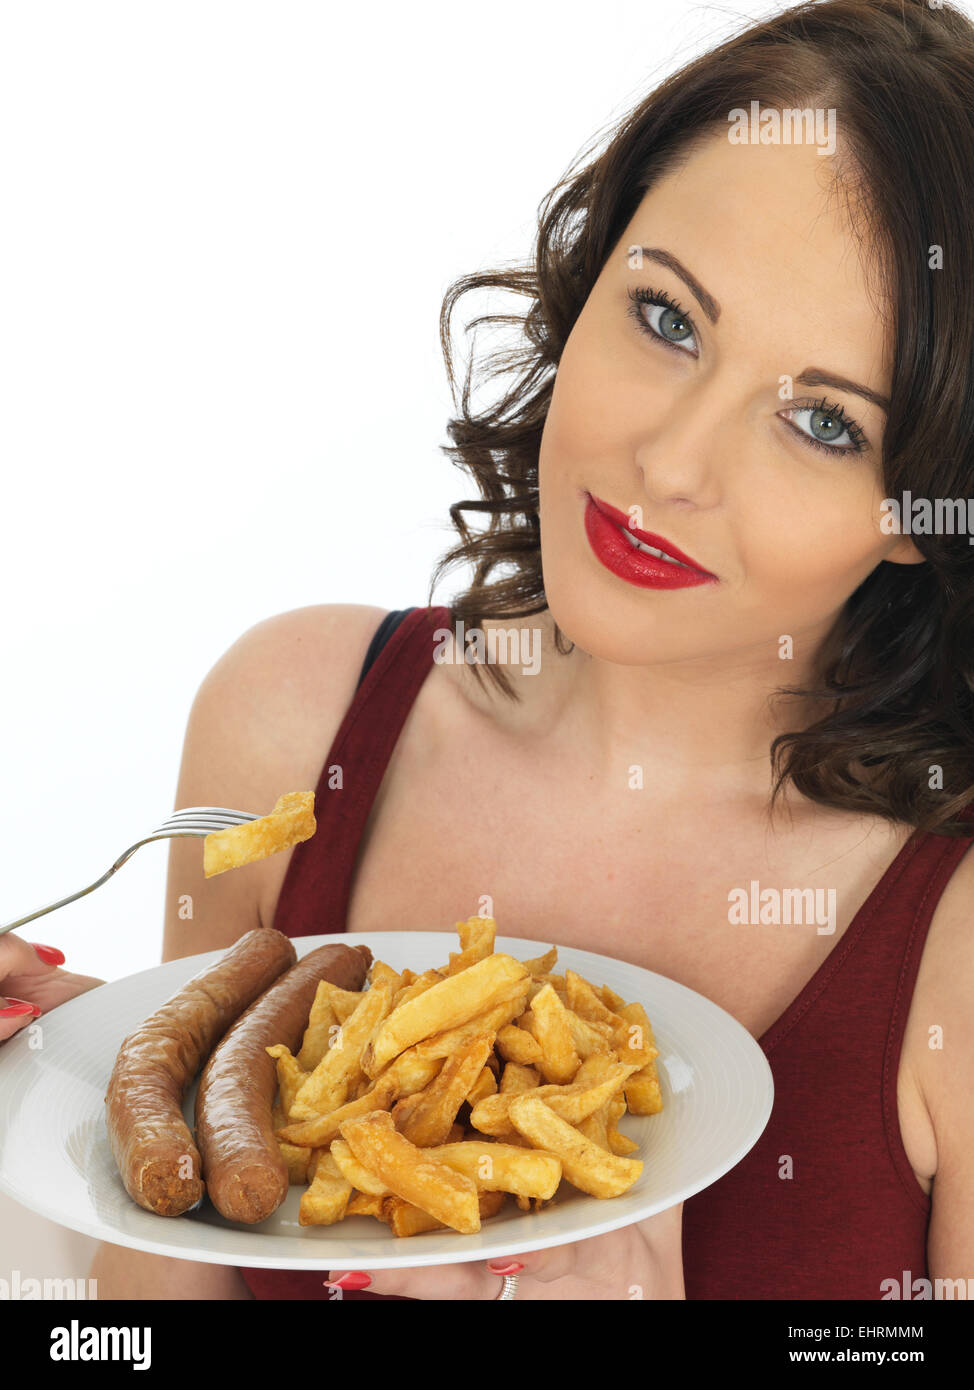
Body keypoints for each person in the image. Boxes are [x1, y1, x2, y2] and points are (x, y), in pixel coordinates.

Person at [4, 0, 974, 1300]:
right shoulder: (288, 725)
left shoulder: (953, 944)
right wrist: (83, 1077)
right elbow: (152, 1297)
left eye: (820, 421)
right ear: (585, 284)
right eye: (668, 319)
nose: (668, 463)